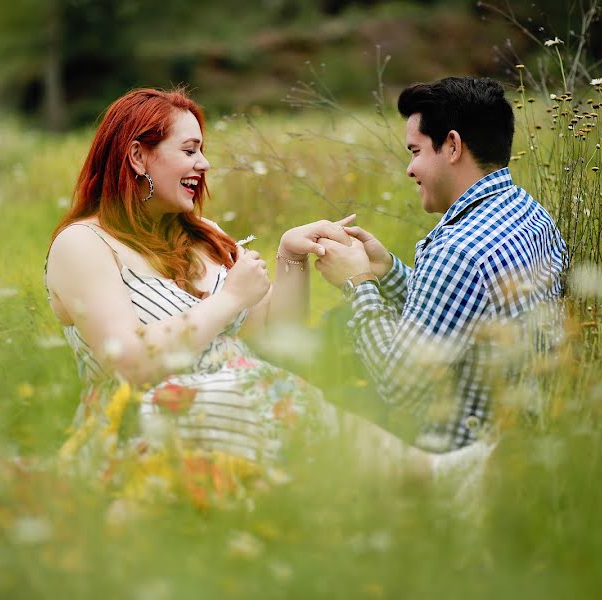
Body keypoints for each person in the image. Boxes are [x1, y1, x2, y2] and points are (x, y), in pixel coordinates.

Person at [44, 87, 430, 472]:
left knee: (273, 395)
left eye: (202, 150)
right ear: (138, 156)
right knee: (253, 396)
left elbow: (276, 337)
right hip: (146, 425)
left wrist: (290, 255)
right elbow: (128, 362)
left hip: (243, 408)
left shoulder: (204, 235)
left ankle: (429, 472)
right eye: (190, 150)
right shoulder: (83, 244)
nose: (204, 164)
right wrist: (229, 299)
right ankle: (430, 473)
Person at [314, 76, 568, 456]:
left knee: (316, 402)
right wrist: (387, 270)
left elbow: (399, 383)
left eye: (415, 151)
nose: (409, 169)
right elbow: (459, 308)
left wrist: (358, 283)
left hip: (468, 452)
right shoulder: (529, 213)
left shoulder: (459, 249)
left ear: (452, 146)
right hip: (533, 432)